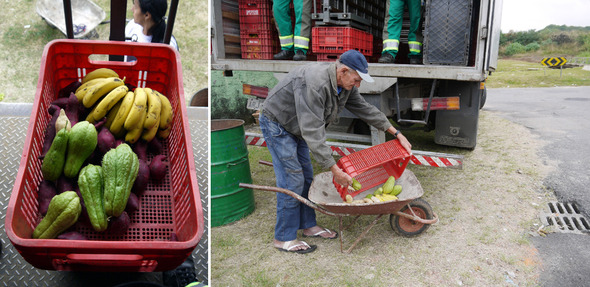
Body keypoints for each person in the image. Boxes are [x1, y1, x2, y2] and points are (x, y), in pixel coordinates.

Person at [259, 49, 412, 253]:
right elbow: (313, 131)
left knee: (306, 177)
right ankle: (283, 238)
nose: (358, 85)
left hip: (298, 126)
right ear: (343, 71)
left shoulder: (344, 85)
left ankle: (308, 226)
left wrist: (397, 133)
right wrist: (335, 170)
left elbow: (365, 109)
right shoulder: (315, 84)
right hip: (278, 125)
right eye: (356, 79)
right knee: (292, 179)